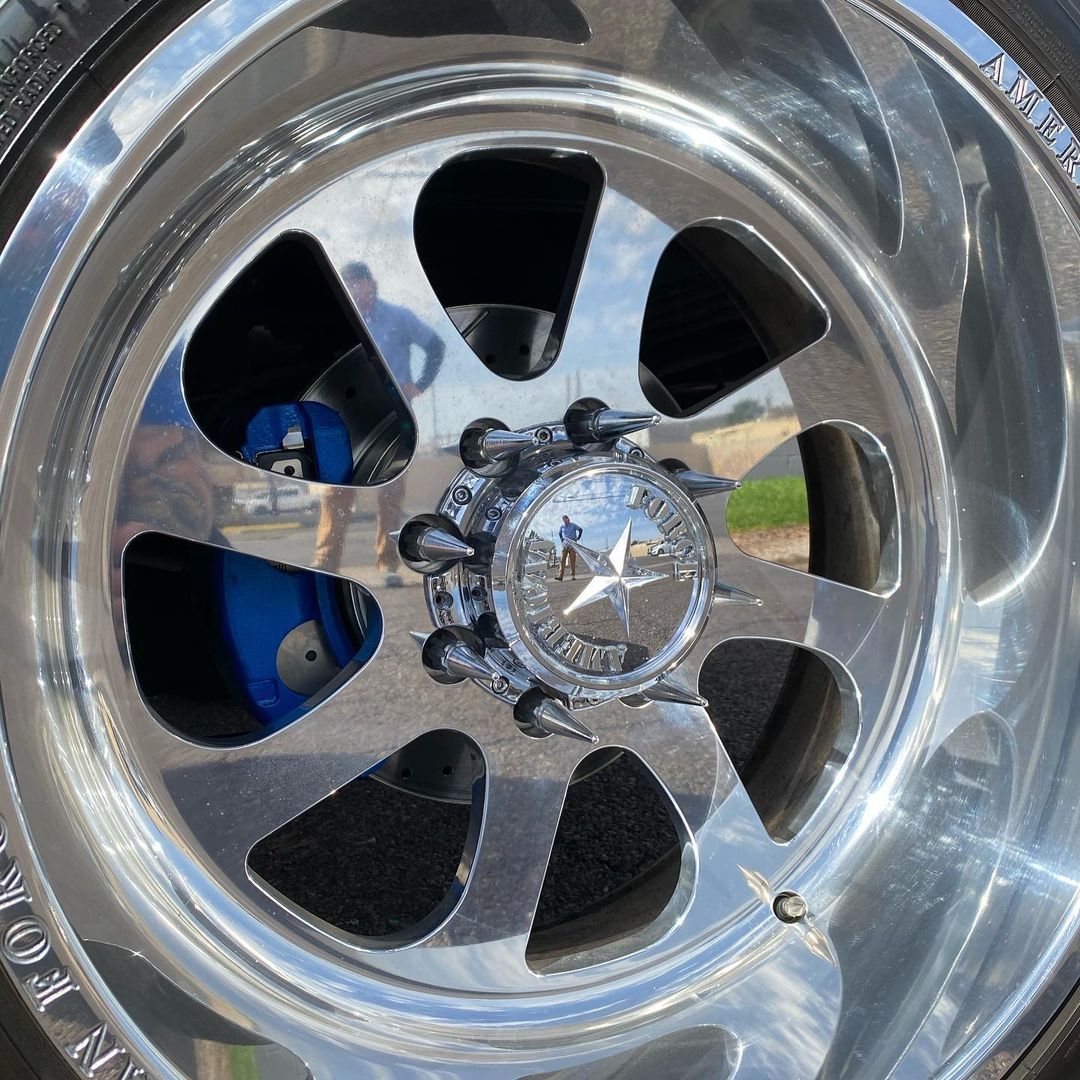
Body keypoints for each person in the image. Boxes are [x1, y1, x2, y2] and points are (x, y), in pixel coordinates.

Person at [342, 262, 446, 586]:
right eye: (349, 286)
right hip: (352, 412)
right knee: (337, 489)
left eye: (358, 284)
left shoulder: (398, 317)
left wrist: (418, 385)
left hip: (393, 411)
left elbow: (436, 346)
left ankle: (387, 565)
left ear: (372, 284)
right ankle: (324, 566)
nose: (355, 291)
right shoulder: (345, 320)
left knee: (390, 489)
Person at [555, 514, 582, 581]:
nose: (565, 522)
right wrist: (562, 539)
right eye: (564, 520)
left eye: (566, 520)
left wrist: (578, 538)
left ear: (568, 519)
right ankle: (560, 576)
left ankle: (573, 575)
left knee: (572, 560)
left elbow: (580, 529)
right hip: (565, 545)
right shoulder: (562, 527)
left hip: (572, 545)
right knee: (562, 560)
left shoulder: (573, 525)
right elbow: (559, 533)